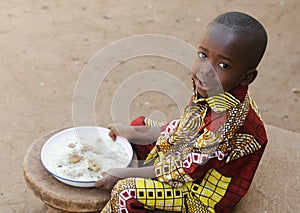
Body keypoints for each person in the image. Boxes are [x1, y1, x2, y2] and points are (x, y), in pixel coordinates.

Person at [96, 11, 268, 213]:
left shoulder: (224, 125)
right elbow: (185, 128)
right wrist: (133, 133)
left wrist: (123, 175)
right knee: (138, 126)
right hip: (193, 157)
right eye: (203, 55)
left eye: (223, 65)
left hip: (201, 193)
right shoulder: (213, 89)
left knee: (125, 191)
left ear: (246, 77)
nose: (205, 69)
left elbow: (182, 170)